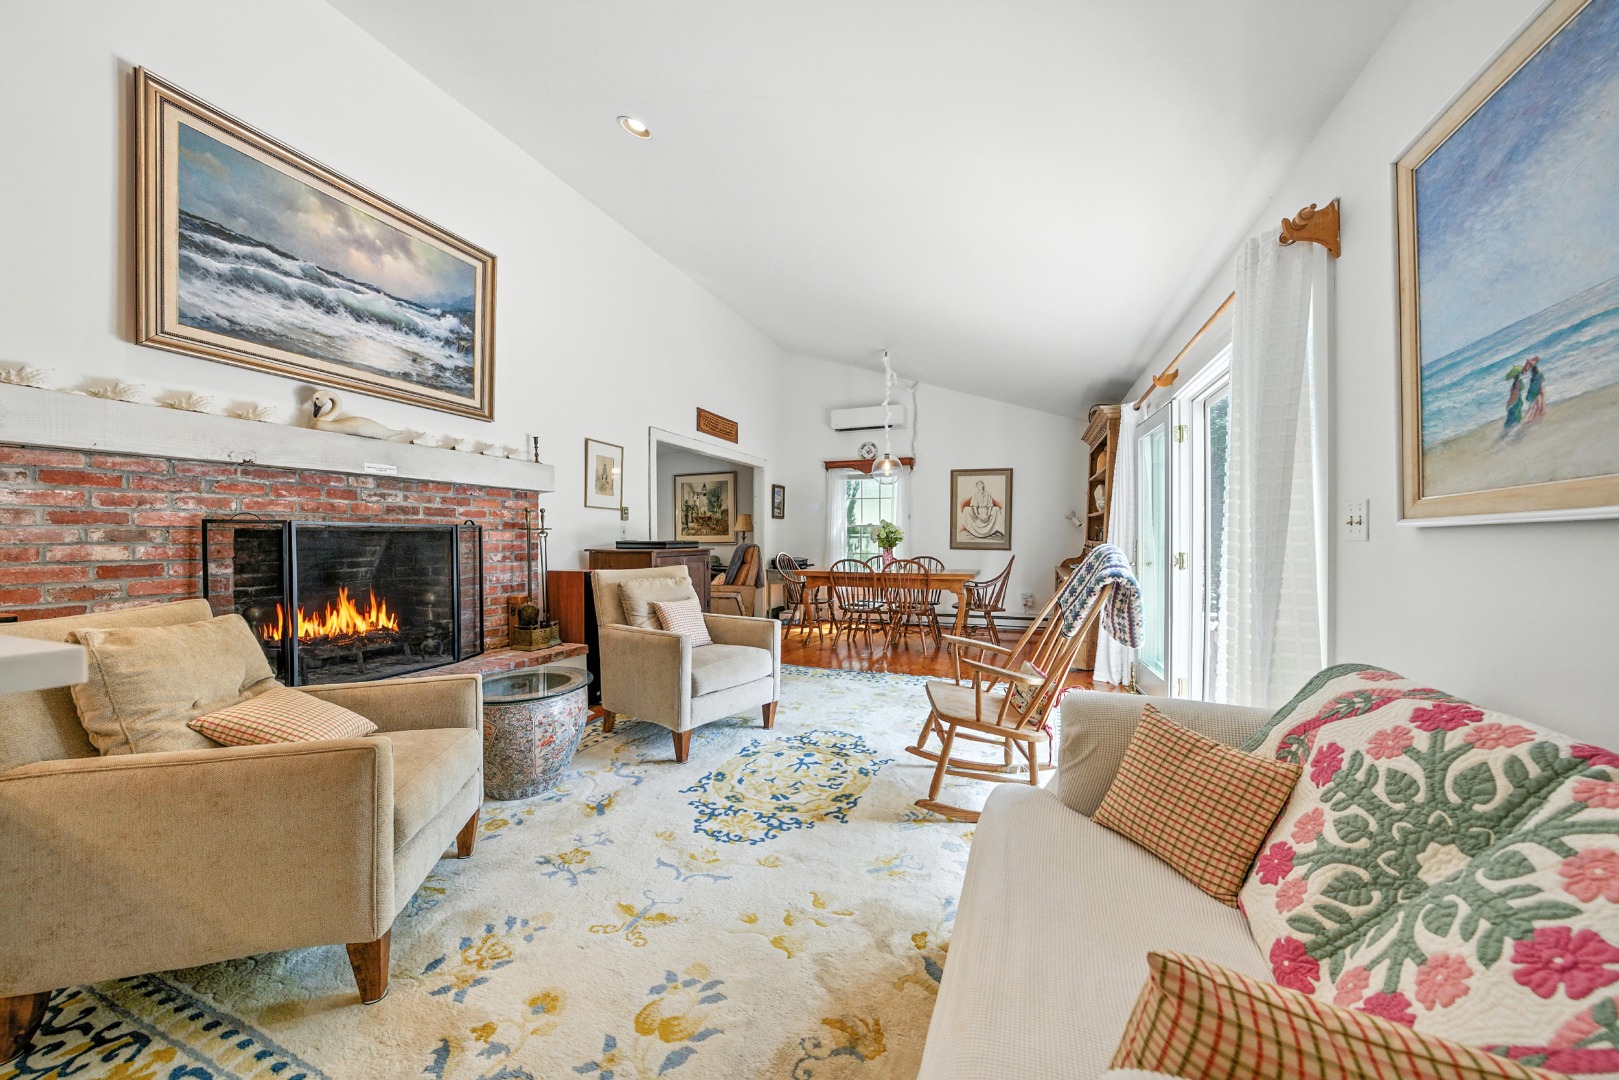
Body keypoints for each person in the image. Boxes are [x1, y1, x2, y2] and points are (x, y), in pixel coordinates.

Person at [1524, 357, 1546, 422]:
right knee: (1539, 404)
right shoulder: (1539, 375)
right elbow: (1541, 383)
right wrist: (1541, 391)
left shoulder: (1532, 378)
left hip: (1533, 392)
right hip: (1538, 391)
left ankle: (1532, 417)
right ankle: (1536, 416)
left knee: (1535, 405)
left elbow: (1531, 387)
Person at [1503, 366, 1524, 433]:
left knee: (1511, 416)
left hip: (1515, 401)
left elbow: (1514, 395)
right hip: (1519, 400)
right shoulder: (1520, 383)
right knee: (1517, 415)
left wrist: (1508, 404)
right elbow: (1519, 392)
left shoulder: (1515, 384)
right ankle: (1517, 429)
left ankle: (1508, 431)